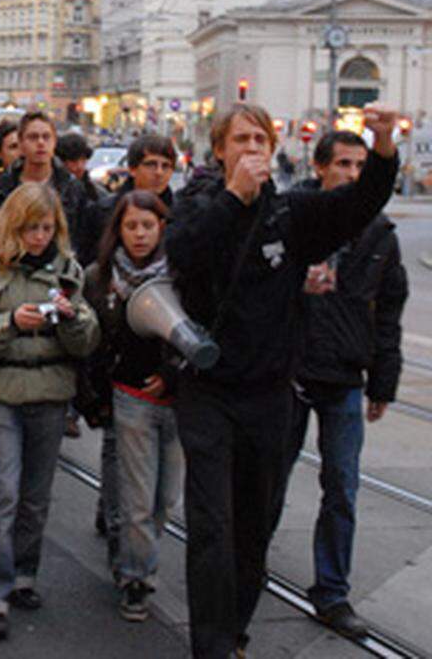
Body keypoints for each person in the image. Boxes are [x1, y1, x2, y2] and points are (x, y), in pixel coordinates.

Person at [165, 103, 399, 659]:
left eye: (261, 140)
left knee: (253, 525)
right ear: (219, 150)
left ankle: (237, 629)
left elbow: (359, 202)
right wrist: (234, 198)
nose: (252, 150)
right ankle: (212, 647)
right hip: (209, 391)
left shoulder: (291, 216)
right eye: (241, 140)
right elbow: (186, 253)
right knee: (212, 526)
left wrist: (384, 144)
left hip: (269, 394)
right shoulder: (200, 207)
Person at [0, 183, 99, 640]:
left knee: (36, 495)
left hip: (52, 393)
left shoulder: (68, 272)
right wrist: (10, 323)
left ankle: (23, 574)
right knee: (5, 492)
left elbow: (88, 340)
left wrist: (74, 318)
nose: (38, 237)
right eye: (31, 228)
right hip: (3, 394)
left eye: (46, 228)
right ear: (14, 226)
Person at [274, 130, 408, 640]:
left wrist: (384, 382)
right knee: (269, 480)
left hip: (346, 377)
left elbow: (389, 313)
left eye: (360, 166)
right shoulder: (293, 216)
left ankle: (332, 592)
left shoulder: (380, 234)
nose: (352, 176)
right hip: (289, 373)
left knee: (343, 489)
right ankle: (246, 567)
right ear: (320, 166)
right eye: (344, 165)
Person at [83, 191, 182, 623]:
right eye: (131, 226)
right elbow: (93, 342)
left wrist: (174, 375)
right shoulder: (100, 278)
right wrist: (93, 396)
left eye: (148, 225)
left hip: (177, 400)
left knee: (165, 498)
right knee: (137, 499)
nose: (140, 234)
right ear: (118, 231)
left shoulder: (182, 275)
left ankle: (135, 559)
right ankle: (136, 578)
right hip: (130, 396)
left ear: (162, 227)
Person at [79, 133, 178, 545]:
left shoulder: (183, 215)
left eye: (165, 166)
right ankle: (115, 519)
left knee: (156, 486)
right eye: (150, 164)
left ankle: (122, 524)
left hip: (158, 372)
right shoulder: (102, 210)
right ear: (133, 167)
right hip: (114, 362)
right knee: (116, 448)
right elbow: (89, 277)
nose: (157, 173)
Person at [0, 113, 87, 254]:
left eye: (46, 137)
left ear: (54, 142)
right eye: (33, 137)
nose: (41, 143)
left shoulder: (73, 189)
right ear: (21, 143)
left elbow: (82, 239)